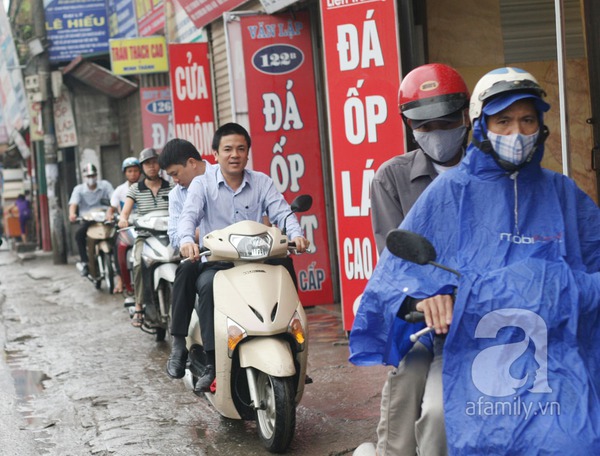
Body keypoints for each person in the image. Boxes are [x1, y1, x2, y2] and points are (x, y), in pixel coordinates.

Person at [350, 68, 600, 454]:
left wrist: (557, 287)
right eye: (504, 121)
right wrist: (426, 297)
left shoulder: (562, 193)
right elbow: (397, 274)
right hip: (464, 341)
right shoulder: (448, 192)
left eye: (527, 119)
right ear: (483, 125)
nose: (517, 133)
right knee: (439, 417)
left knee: (576, 432)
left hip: (553, 344)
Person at [355, 64, 470, 456]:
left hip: (482, 308)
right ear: (409, 125)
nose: (437, 132)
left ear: (466, 116)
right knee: (411, 371)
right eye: (425, 125)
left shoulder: (489, 173)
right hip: (421, 314)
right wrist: (426, 302)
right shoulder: (393, 178)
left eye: (446, 121)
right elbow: (395, 260)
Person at [166, 123, 310, 389]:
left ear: (247, 154)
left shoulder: (262, 182)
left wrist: (296, 234)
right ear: (216, 154)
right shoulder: (201, 184)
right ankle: (210, 363)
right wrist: (187, 240)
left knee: (285, 268)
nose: (235, 155)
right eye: (228, 149)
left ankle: (294, 345)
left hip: (258, 259)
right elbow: (188, 217)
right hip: (219, 262)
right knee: (206, 284)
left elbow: (282, 212)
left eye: (241, 149)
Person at [118, 148, 173, 327]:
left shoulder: (171, 186)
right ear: (142, 167)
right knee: (138, 263)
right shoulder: (135, 189)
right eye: (147, 163)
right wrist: (123, 219)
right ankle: (139, 305)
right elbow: (125, 212)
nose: (152, 166)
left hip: (170, 235)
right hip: (145, 236)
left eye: (155, 162)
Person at [68, 163, 114, 276]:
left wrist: (112, 211)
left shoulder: (105, 185)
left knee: (118, 235)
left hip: (104, 219)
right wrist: (72, 214)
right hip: (88, 221)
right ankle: (84, 262)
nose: (91, 178)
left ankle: (117, 262)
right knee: (79, 235)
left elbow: (114, 200)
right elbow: (73, 204)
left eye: (93, 175)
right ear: (84, 177)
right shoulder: (79, 189)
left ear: (96, 175)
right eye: (88, 176)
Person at [106, 157, 142, 294]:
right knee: (117, 245)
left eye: (135, 171)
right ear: (125, 173)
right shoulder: (120, 190)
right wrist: (110, 215)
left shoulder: (145, 186)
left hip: (144, 226)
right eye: (130, 171)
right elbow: (112, 207)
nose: (133, 174)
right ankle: (120, 278)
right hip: (126, 228)